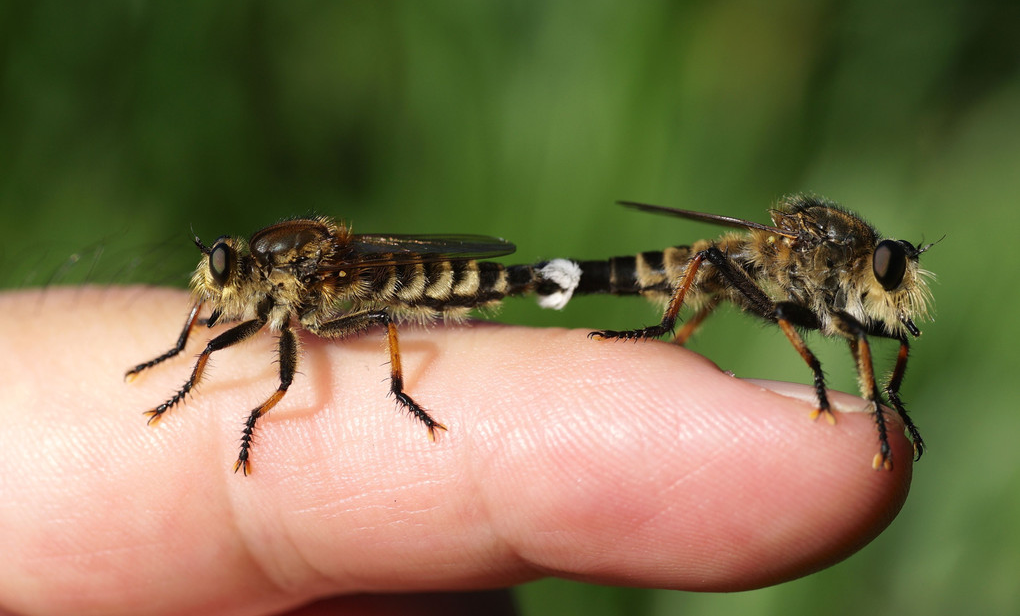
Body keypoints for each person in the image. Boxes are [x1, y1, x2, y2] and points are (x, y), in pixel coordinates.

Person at [0, 287, 912, 615]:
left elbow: (371, 312)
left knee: (388, 315)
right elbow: (208, 323)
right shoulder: (239, 305)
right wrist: (179, 364)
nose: (215, 291)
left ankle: (399, 387)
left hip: (388, 288)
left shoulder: (296, 293)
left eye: (233, 275)